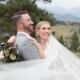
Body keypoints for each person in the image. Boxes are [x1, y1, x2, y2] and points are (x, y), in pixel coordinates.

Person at [2, 21, 80, 80]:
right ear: (37, 31)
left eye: (49, 29)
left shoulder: (55, 46)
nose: (47, 31)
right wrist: (14, 37)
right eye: (44, 28)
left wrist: (38, 47)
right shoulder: (36, 45)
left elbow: (47, 66)